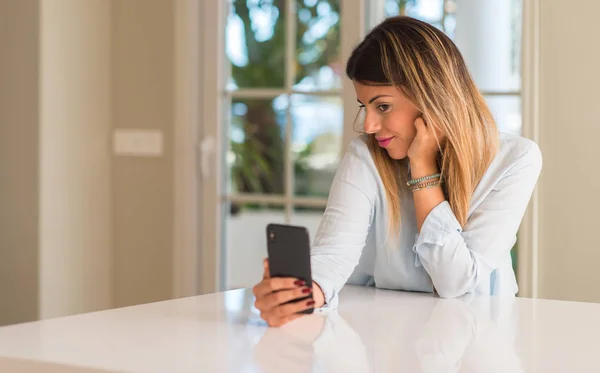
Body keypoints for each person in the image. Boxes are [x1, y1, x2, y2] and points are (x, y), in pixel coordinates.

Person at [252, 16, 542, 327]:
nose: (368, 126)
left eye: (383, 106)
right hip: (385, 337)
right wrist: (303, 294)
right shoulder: (365, 155)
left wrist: (422, 168)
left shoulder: (515, 159)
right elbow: (334, 252)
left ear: (431, 96)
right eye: (365, 106)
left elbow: (455, 282)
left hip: (477, 341)